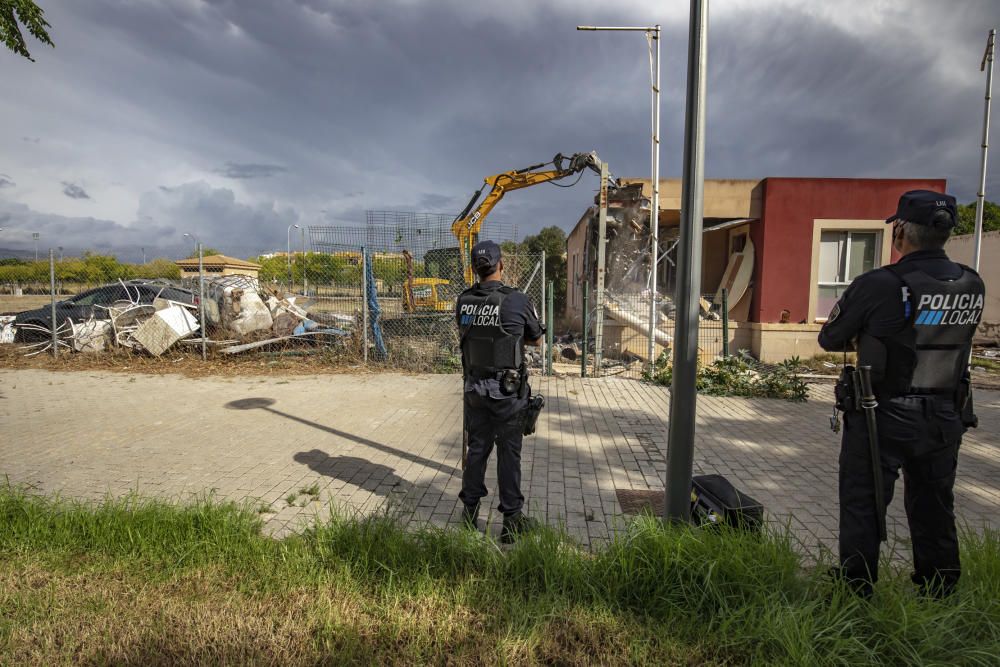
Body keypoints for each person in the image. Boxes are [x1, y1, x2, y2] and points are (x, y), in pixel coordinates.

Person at [818, 190, 985, 598]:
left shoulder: (880, 284)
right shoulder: (972, 283)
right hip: (947, 413)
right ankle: (940, 587)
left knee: (865, 502)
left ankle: (856, 589)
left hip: (883, 413)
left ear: (901, 233)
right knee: (934, 504)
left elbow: (830, 337)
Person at [456, 240, 544, 542]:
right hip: (507, 393)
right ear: (501, 265)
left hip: (475, 390)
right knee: (509, 455)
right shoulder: (516, 300)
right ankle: (511, 523)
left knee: (477, 450)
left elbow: (469, 335)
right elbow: (536, 339)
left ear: (474, 269)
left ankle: (469, 516)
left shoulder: (463, 300)